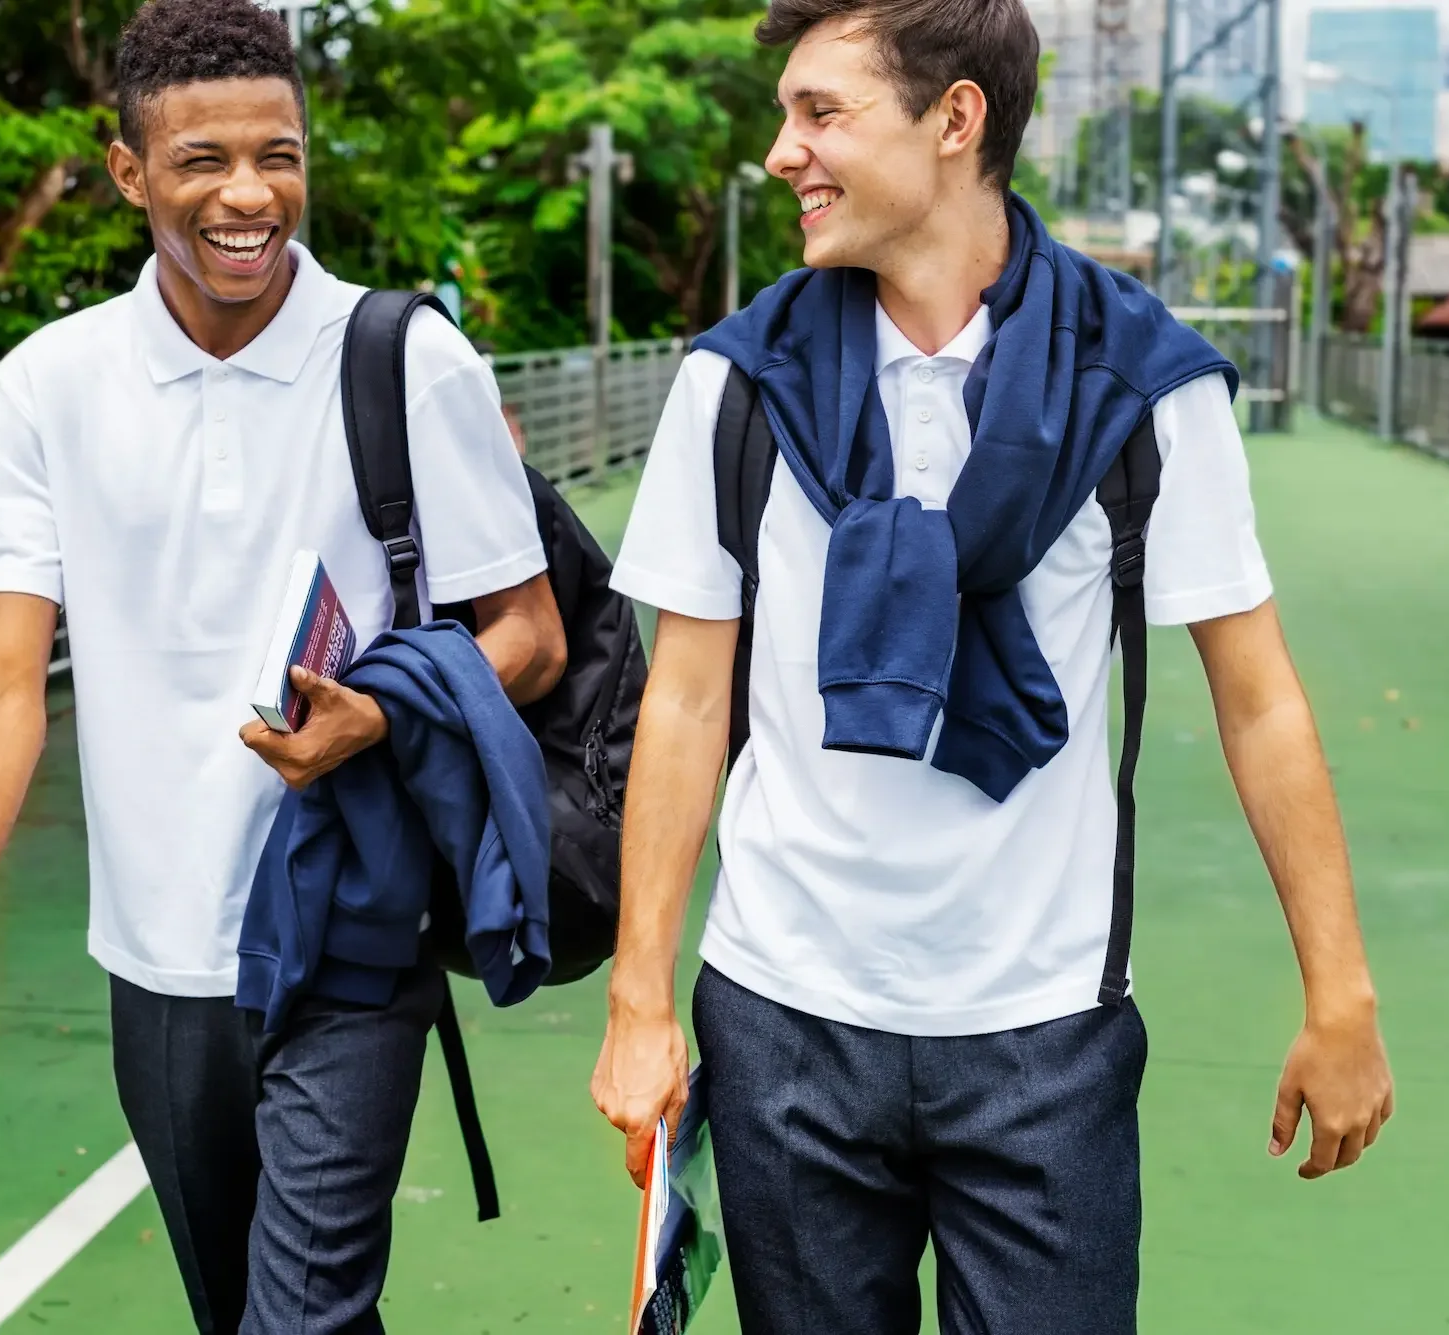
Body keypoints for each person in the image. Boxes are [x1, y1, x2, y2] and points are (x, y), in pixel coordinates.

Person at [590, 2, 1394, 1332]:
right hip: (784, 1013)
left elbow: (1259, 700)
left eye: (821, 113)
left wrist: (1341, 989)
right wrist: (639, 1000)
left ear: (955, 120)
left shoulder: (1139, 381)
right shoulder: (737, 385)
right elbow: (684, 698)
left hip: (1043, 1029)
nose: (782, 153)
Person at [0, 2, 564, 1331]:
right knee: (240, 1309)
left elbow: (528, 634)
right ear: (132, 172)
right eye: (204, 161)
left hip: (352, 924)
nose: (252, 194)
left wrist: (377, 713)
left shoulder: (408, 358)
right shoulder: (48, 387)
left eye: (280, 154)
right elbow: (6, 681)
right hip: (158, 952)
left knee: (296, 1315)